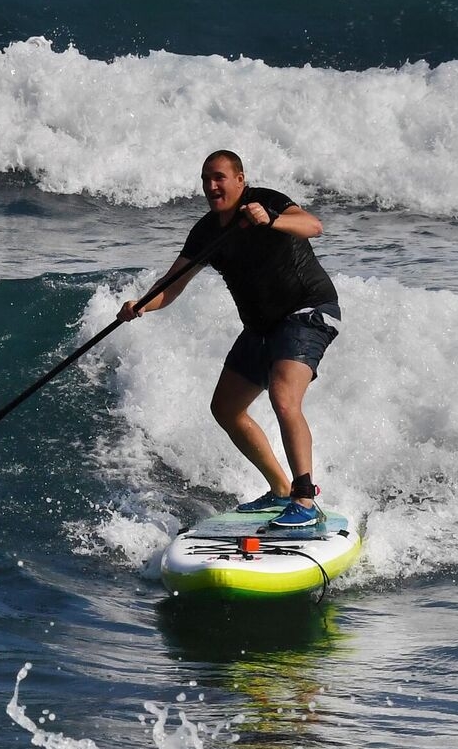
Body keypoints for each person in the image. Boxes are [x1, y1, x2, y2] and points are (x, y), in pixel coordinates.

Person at [115, 151, 342, 529]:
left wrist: (272, 220)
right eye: (206, 178)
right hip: (261, 327)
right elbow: (171, 287)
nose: (211, 186)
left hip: (307, 311)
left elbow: (313, 226)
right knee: (225, 408)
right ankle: (281, 489)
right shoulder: (207, 232)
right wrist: (140, 305)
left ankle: (305, 499)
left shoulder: (265, 201)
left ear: (240, 179)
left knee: (284, 397)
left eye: (219, 177)